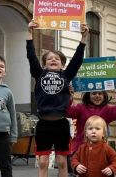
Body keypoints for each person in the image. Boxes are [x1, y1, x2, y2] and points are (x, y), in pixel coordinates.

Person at [27, 20, 89, 177]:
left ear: (62, 65)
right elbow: (31, 57)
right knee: (43, 162)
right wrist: (30, 34)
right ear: (44, 64)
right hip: (43, 124)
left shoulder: (66, 75)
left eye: (57, 59)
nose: (53, 60)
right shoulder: (39, 74)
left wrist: (83, 39)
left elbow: (77, 60)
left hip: (61, 123)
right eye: (49, 58)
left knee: (62, 162)